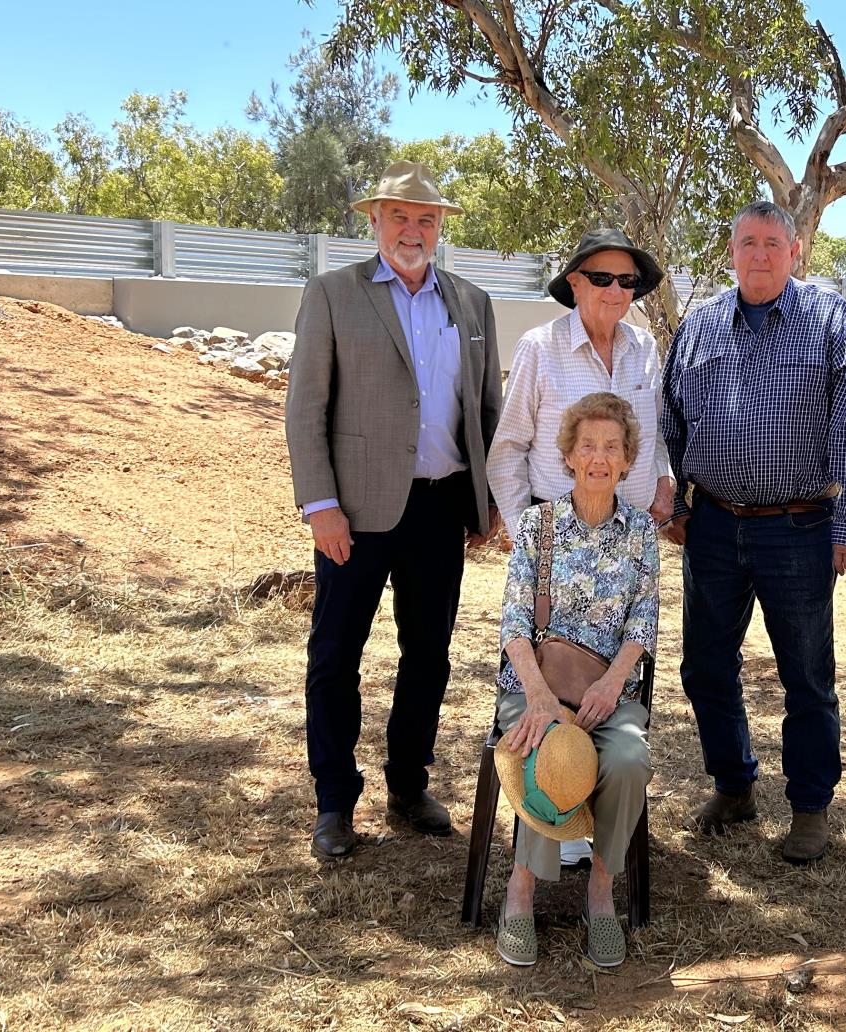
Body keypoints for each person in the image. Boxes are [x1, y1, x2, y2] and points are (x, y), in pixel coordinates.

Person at [284, 160, 504, 860]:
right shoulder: (332, 295)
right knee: (335, 656)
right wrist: (321, 505)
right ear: (374, 221)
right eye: (400, 217)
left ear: (441, 228)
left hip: (440, 509)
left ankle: (408, 787)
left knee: (429, 656)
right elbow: (305, 408)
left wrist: (487, 499)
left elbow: (488, 408)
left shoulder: (472, 304)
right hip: (354, 512)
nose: (414, 230)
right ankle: (333, 803)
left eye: (427, 219)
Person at [659, 200, 846, 865]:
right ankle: (735, 787)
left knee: (807, 675)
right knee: (704, 667)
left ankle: (810, 807)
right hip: (714, 525)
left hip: (800, 527)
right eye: (748, 243)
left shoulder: (830, 322)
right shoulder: (697, 328)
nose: (760, 255)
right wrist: (676, 506)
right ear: (732, 251)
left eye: (772, 243)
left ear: (795, 250)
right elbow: (670, 423)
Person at [488, 226, 673, 870]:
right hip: (553, 558)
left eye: (628, 281)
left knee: (614, 691)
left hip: (625, 542)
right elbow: (508, 447)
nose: (616, 291)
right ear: (574, 283)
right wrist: (529, 536)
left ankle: (591, 829)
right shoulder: (541, 348)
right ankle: (555, 815)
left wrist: (665, 480)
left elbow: (652, 430)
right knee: (547, 696)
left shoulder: (645, 348)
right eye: (602, 278)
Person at [492, 392, 658, 969]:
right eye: (587, 445)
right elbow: (513, 622)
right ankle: (520, 892)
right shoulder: (537, 525)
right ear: (567, 455)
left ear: (627, 460)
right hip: (535, 686)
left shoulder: (641, 533)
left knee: (630, 757)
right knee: (545, 745)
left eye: (611, 447)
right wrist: (540, 697)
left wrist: (612, 684)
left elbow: (643, 623)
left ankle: (601, 892)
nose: (598, 457)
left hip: (607, 693)